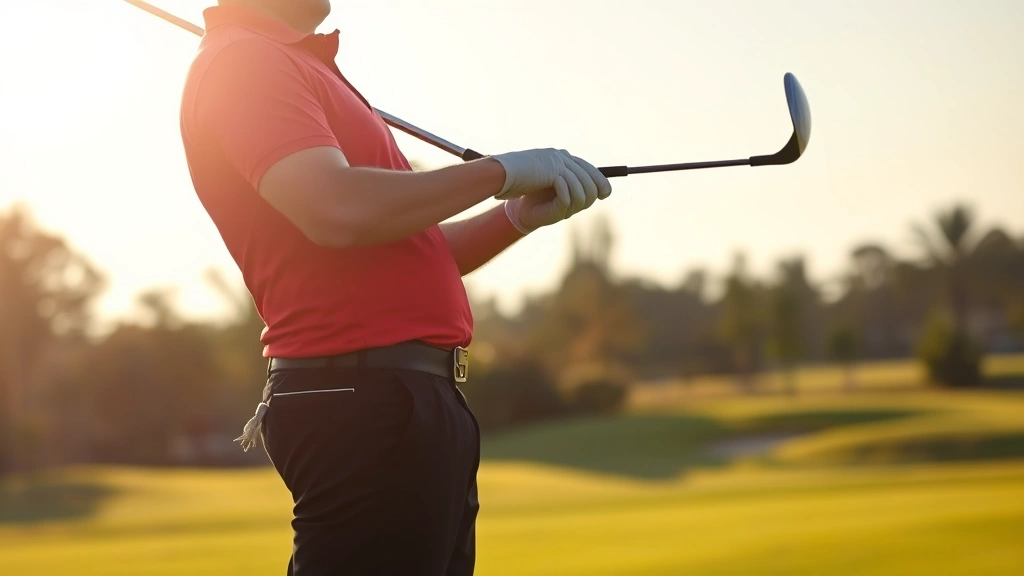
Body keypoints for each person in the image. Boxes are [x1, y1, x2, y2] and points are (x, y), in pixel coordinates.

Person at [178, 1, 612, 574]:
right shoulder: (245, 63)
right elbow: (338, 210)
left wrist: (514, 216)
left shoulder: (289, 64)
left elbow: (414, 252)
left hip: (401, 396)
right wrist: (498, 171)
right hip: (364, 400)